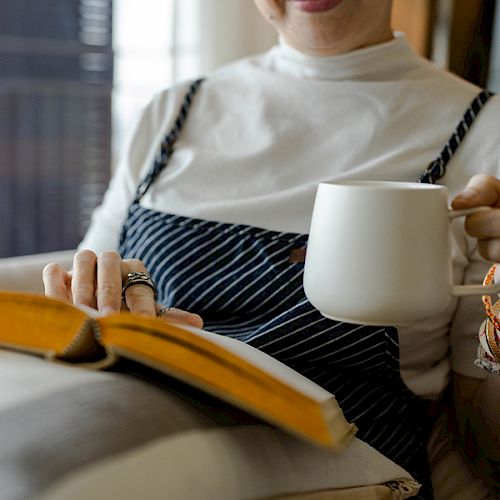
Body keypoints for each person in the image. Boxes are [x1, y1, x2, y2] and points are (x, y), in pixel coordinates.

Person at [42, 0, 500, 497]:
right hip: (134, 457)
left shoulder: (486, 131)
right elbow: (77, 317)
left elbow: (488, 449)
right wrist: (100, 301)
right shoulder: (173, 110)